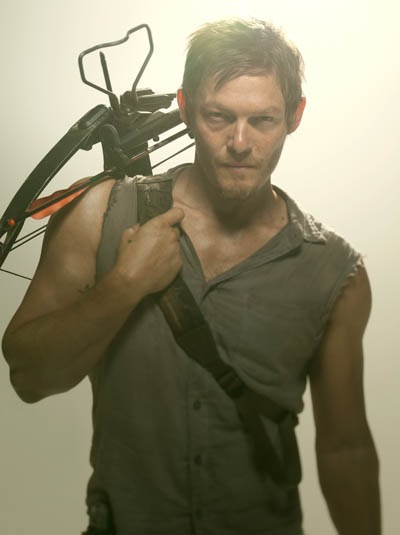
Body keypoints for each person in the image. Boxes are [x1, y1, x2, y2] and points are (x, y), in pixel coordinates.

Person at [2, 18, 380, 535]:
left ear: (295, 116)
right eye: (218, 116)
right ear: (184, 108)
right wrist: (123, 286)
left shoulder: (336, 270)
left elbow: (346, 448)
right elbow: (28, 378)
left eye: (263, 120)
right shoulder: (96, 216)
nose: (240, 142)